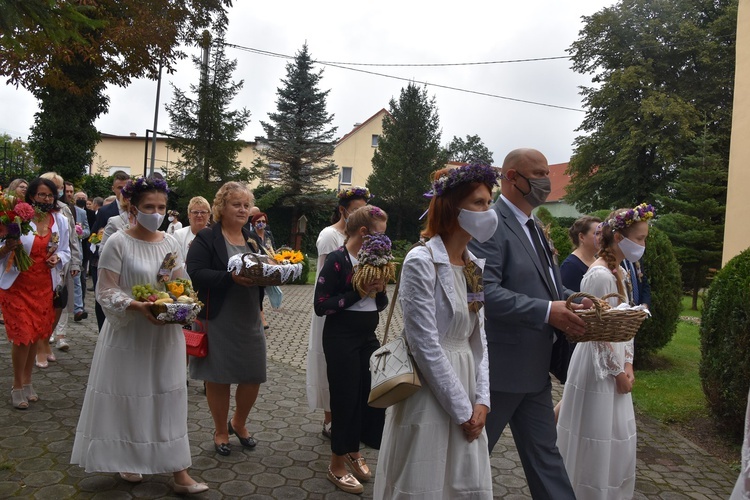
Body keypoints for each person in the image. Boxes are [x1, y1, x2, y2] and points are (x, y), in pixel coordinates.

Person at [70, 175, 208, 494]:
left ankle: (179, 472)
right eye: (149, 206)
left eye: (161, 207)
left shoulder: (171, 242)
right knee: (129, 397)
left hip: (164, 335)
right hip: (129, 334)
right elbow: (105, 292)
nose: (156, 212)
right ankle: (128, 458)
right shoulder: (117, 241)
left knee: (168, 397)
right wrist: (137, 305)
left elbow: (178, 282)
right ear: (133, 207)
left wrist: (183, 303)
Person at [467, 148, 588, 500]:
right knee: (471, 457)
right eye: (537, 173)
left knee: (546, 456)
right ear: (511, 177)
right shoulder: (490, 225)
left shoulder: (536, 226)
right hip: (501, 373)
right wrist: (549, 311)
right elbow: (485, 293)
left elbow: (550, 287)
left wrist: (578, 300)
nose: (545, 181)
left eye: (546, 172)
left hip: (535, 371)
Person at [374, 164, 498, 499]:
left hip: (468, 385)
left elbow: (479, 338)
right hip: (431, 389)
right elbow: (424, 344)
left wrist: (482, 401)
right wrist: (462, 410)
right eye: (479, 203)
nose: (488, 211)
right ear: (451, 207)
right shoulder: (421, 261)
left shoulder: (472, 266)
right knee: (424, 479)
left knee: (462, 482)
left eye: (489, 202)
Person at [556, 204, 653, 499]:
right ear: (619, 236)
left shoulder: (621, 270)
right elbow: (596, 333)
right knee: (594, 437)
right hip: (597, 369)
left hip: (615, 364)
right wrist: (615, 371)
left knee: (615, 438)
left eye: (645, 239)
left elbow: (624, 322)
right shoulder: (599, 275)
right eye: (639, 238)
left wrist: (629, 364)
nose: (643, 245)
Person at [186, 182, 266, 458]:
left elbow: (265, 267)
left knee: (253, 374)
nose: (243, 209)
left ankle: (239, 423)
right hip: (218, 317)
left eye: (246, 205)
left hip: (249, 317)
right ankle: (221, 430)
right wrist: (229, 278)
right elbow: (195, 272)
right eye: (236, 204)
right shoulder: (208, 238)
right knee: (218, 378)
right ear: (222, 207)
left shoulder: (253, 238)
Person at [313, 205, 389, 494]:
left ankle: (354, 451)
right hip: (340, 338)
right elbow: (321, 306)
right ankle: (336, 464)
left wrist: (379, 291)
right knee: (345, 399)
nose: (385, 239)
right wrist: (357, 292)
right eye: (381, 233)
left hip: (366, 336)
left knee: (369, 395)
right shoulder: (337, 260)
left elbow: (379, 304)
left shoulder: (376, 260)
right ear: (363, 232)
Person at [0, 178, 70, 408]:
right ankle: (17, 385)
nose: (46, 199)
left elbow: (65, 249)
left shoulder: (59, 219)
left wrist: (57, 258)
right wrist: (7, 247)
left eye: (50, 195)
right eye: (41, 195)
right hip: (18, 285)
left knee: (34, 337)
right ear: (31, 196)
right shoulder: (17, 218)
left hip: (43, 286)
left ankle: (28, 382)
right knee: (22, 337)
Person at [307, 186, 370, 440]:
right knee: (327, 362)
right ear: (343, 211)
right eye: (355, 211)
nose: (359, 216)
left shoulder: (365, 238)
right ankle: (330, 419)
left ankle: (349, 417)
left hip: (355, 309)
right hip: (331, 307)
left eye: (364, 211)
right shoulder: (329, 236)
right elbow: (325, 278)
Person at [35, 172, 80, 366]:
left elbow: (72, 239)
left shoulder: (65, 210)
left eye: (56, 188)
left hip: (61, 264)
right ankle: (38, 346)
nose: (52, 192)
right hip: (36, 267)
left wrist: (75, 261)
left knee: (57, 304)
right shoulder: (29, 210)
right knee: (39, 307)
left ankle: (45, 341)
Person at [93, 171, 131, 331]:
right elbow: (95, 235)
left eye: (126, 187)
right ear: (113, 189)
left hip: (129, 269)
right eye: (120, 187)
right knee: (103, 299)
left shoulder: (141, 212)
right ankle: (103, 330)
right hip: (108, 262)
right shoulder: (105, 212)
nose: (123, 191)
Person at [560, 215, 601, 292]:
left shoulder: (597, 260)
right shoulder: (570, 266)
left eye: (603, 233)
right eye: (597, 233)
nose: (602, 237)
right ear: (582, 237)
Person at [251, 212, 275, 330]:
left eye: (263, 221)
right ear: (254, 223)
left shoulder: (268, 235)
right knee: (259, 292)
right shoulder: (251, 236)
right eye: (259, 222)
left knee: (262, 292)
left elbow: (273, 249)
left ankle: (258, 313)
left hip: (268, 267)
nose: (261, 224)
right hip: (256, 268)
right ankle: (261, 316)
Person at [173, 197, 211, 263]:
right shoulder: (179, 235)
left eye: (203, 212)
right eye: (195, 212)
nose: (199, 215)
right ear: (189, 215)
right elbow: (176, 263)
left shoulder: (215, 236)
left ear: (209, 215)